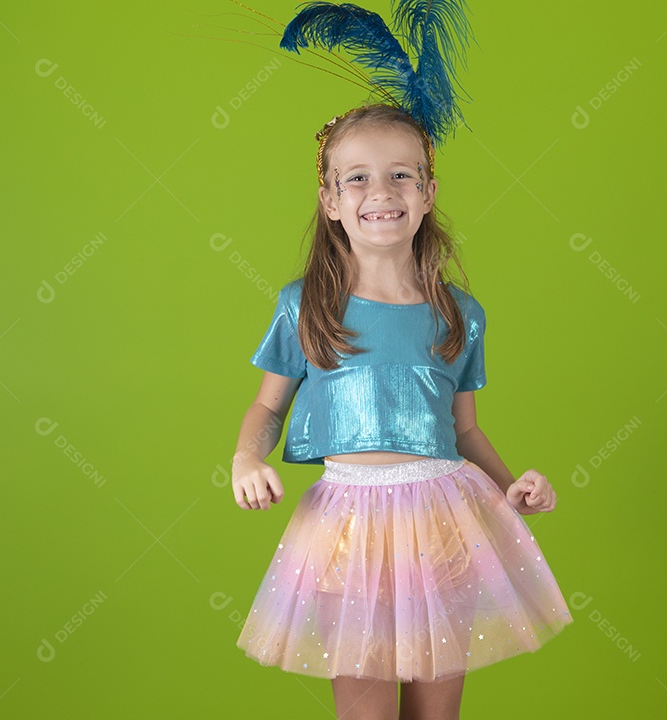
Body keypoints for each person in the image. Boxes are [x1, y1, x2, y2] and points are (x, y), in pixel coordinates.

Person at [231, 103, 573, 720]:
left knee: (435, 715)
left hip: (443, 522)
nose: (380, 192)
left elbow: (464, 429)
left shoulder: (459, 313)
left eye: (401, 175)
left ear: (428, 193)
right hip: (347, 528)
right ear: (330, 200)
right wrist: (244, 458)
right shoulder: (304, 305)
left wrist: (510, 487)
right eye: (356, 177)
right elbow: (266, 405)